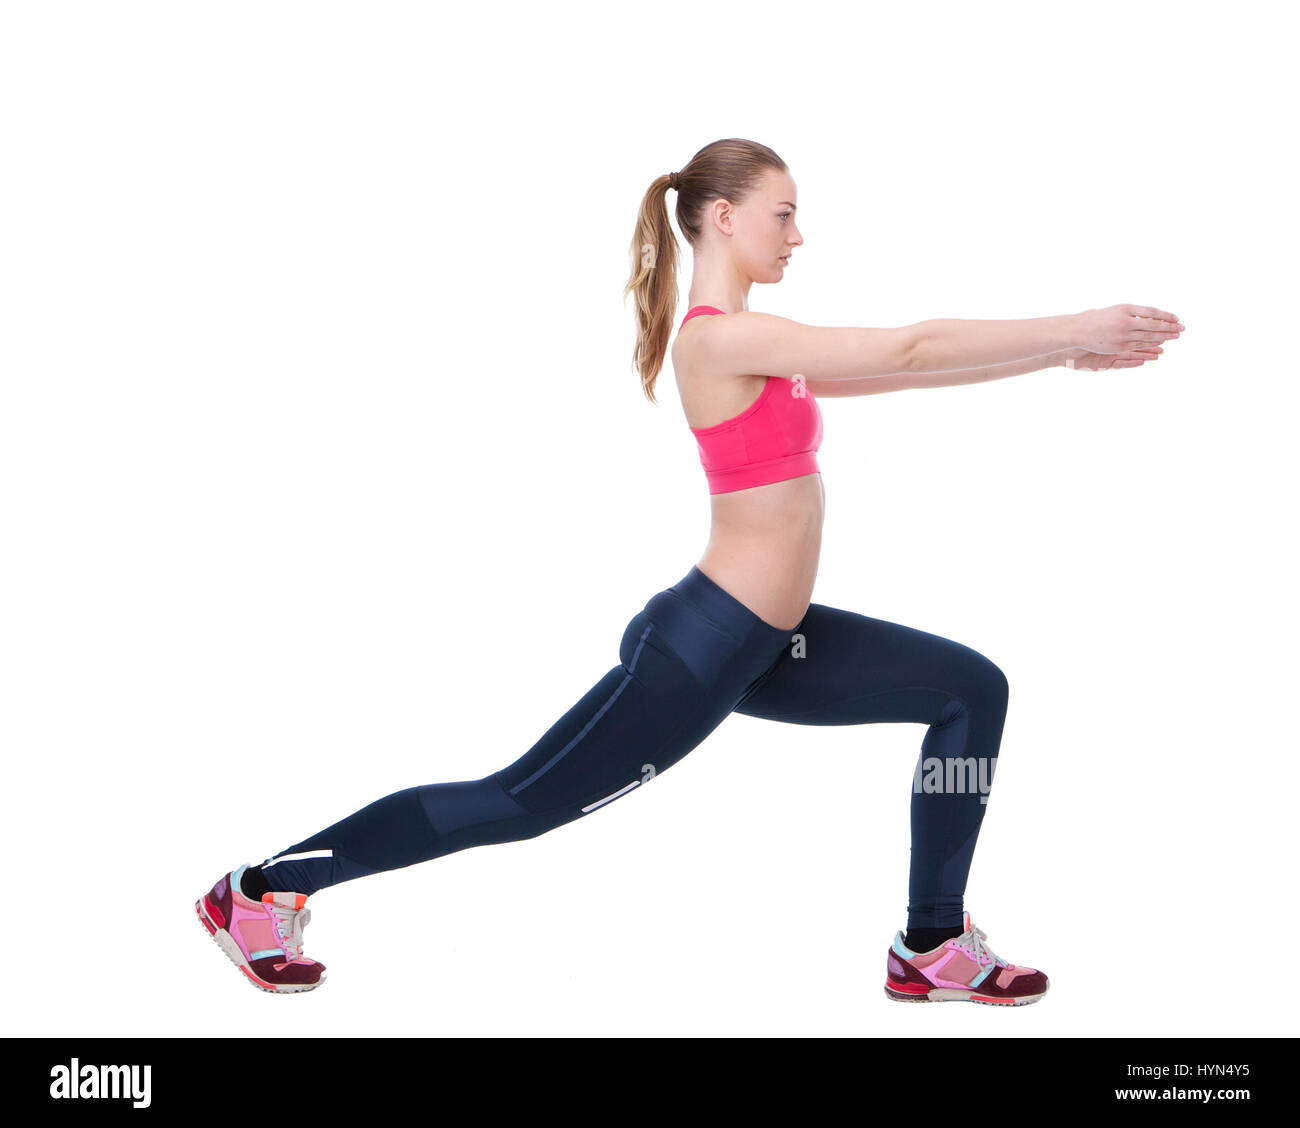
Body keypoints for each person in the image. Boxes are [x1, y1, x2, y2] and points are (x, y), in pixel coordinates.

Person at [195, 137, 1183, 1004]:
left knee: (969, 690)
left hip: (773, 644)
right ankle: (263, 888)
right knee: (519, 804)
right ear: (722, 215)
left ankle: (931, 942)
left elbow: (902, 369)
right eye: (782, 213)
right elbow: (913, 341)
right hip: (705, 647)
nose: (797, 234)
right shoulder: (719, 338)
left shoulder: (762, 345)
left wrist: (1059, 361)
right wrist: (1072, 325)